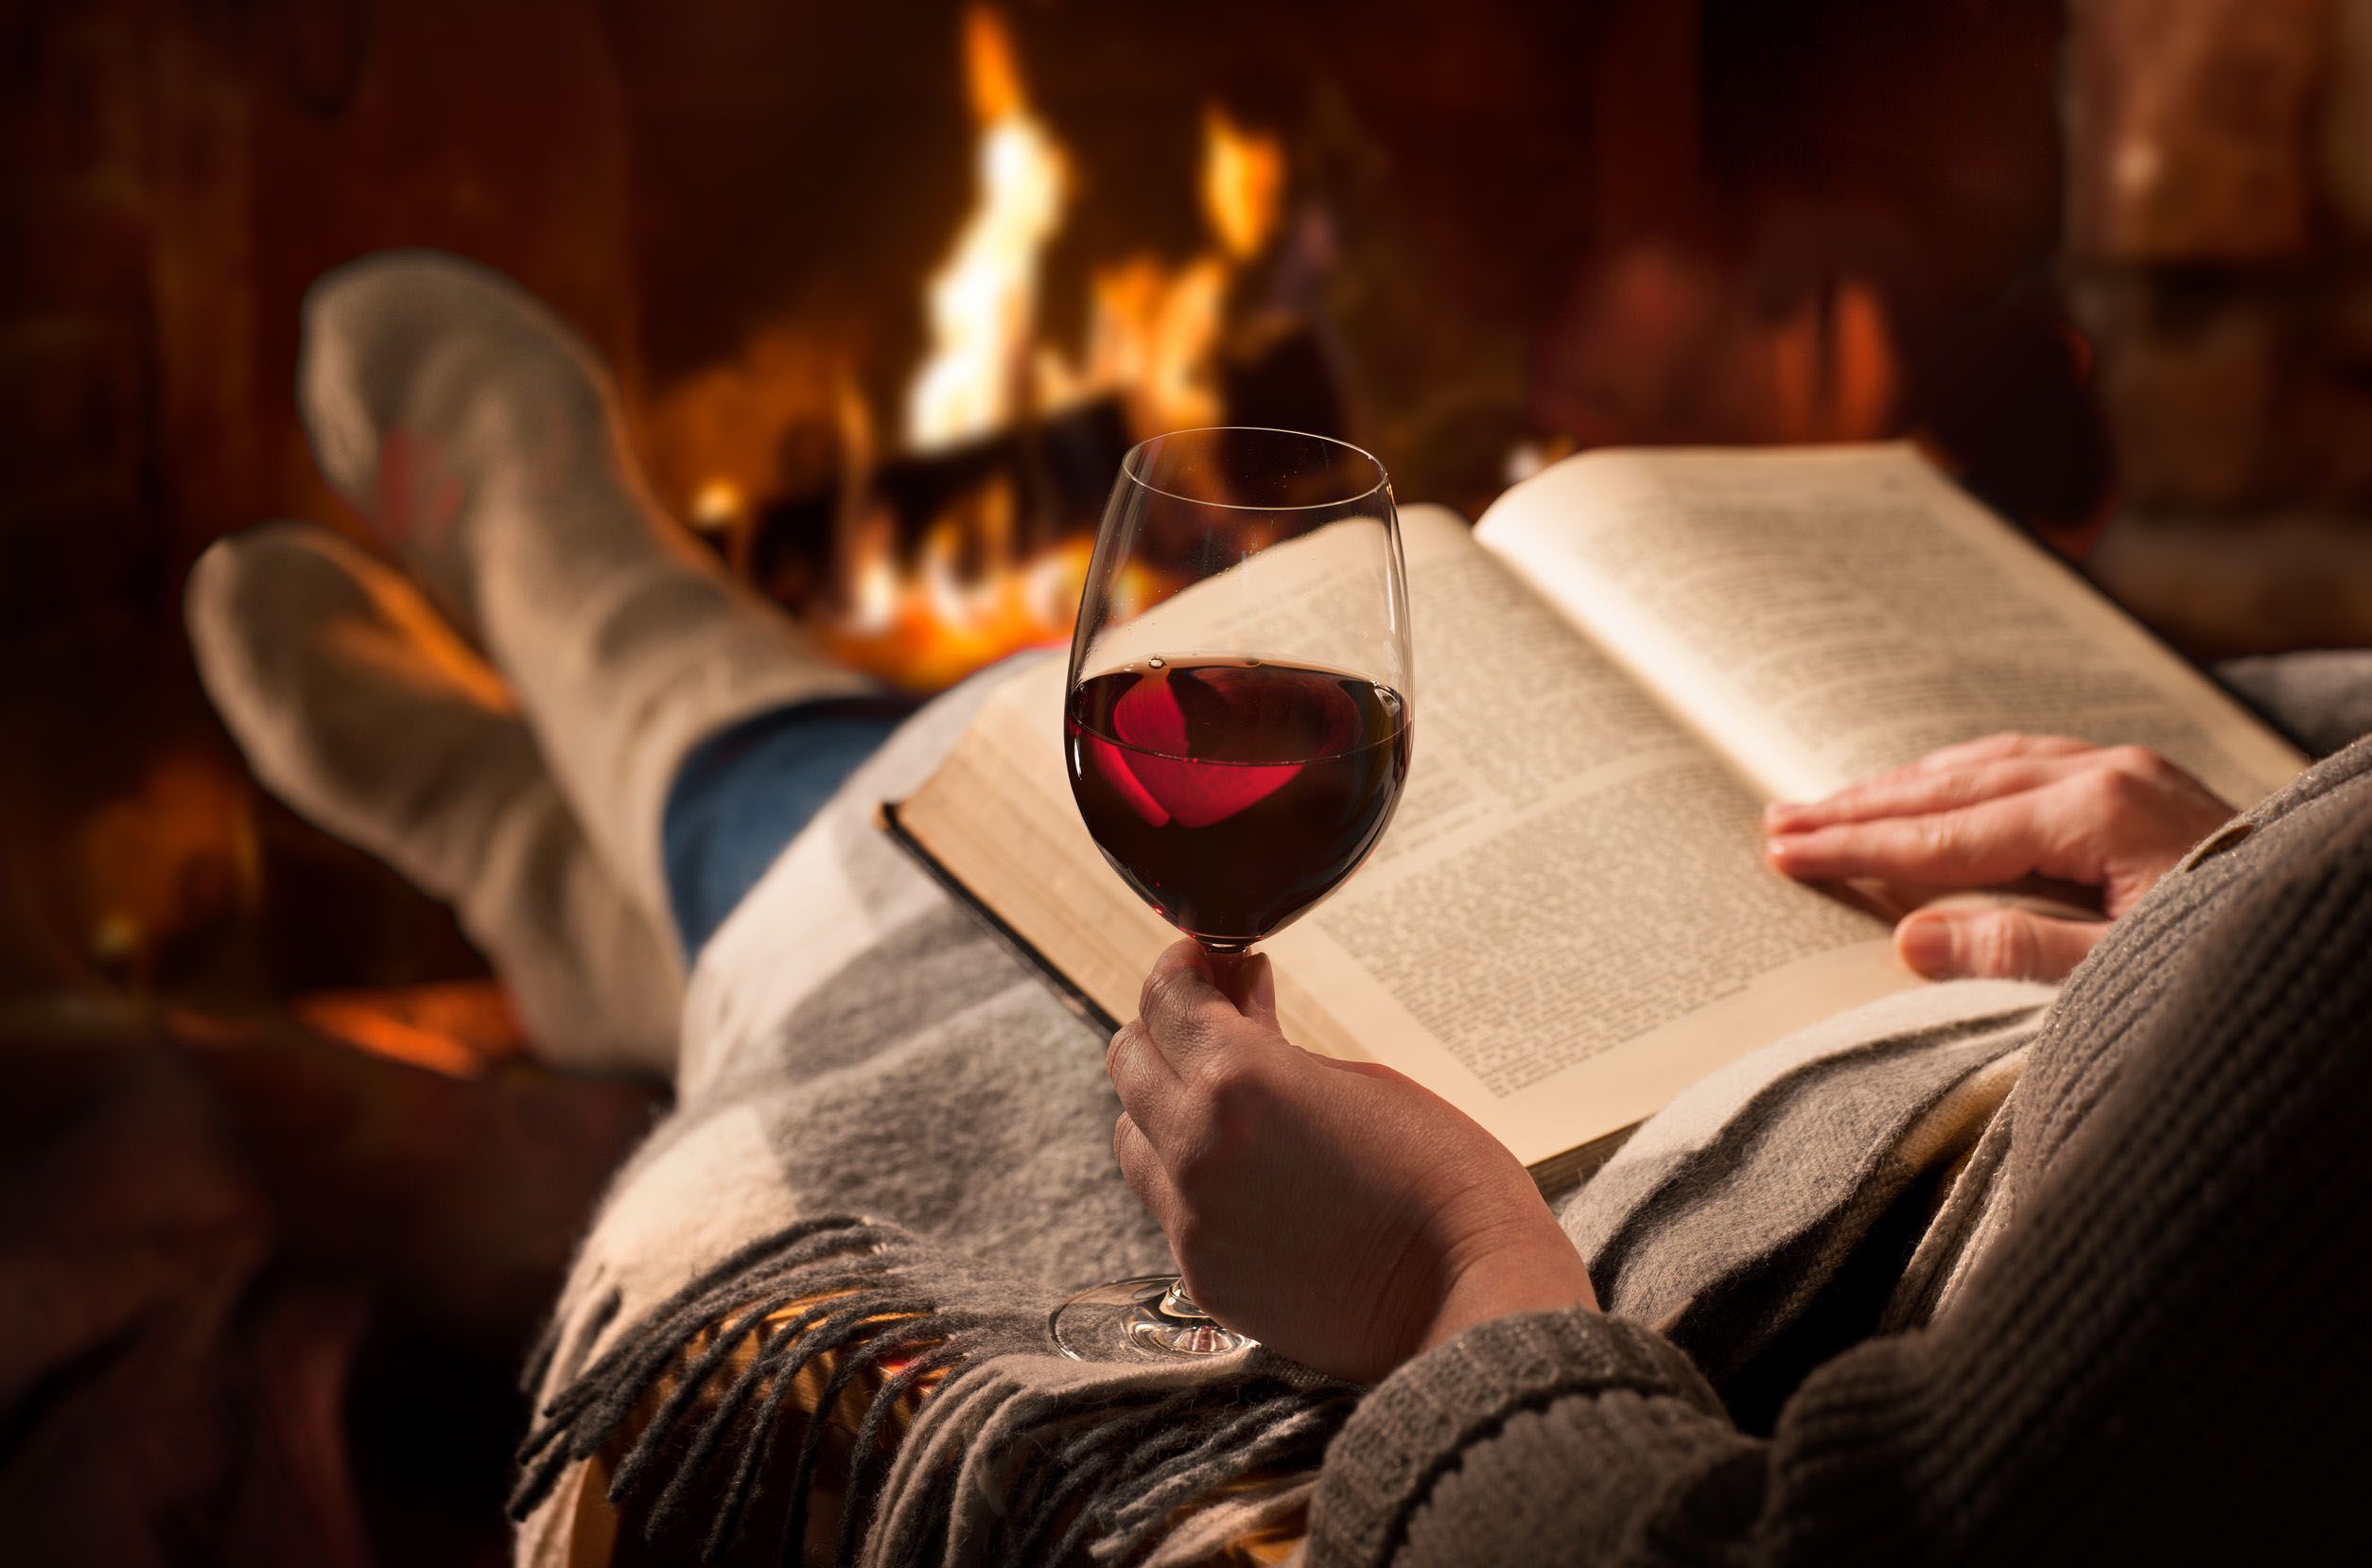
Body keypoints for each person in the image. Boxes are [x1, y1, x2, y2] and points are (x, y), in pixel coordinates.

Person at [190, 253, 2372, 1565]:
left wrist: (1449, 1271)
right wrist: (2233, 906)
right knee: (996, 845)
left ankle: (639, 690)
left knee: (963, 915)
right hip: (2023, 1009)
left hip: (1749, 1239)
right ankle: (615, 834)